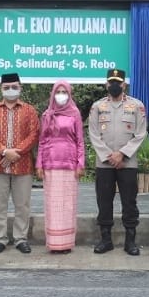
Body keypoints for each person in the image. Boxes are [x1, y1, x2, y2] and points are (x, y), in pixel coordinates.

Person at [87, 67, 148, 255]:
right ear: (106, 84)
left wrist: (122, 154)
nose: (114, 85)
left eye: (118, 83)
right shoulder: (97, 106)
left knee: (129, 201)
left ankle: (130, 241)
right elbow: (94, 134)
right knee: (104, 201)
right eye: (111, 82)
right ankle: (106, 240)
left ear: (124, 84)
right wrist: (110, 156)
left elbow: (140, 133)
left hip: (127, 163)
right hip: (104, 163)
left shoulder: (137, 106)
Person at [0, 72, 39, 253]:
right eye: (6, 87)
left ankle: (20, 238)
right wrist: (5, 151)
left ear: (20, 88)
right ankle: (0, 238)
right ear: (1, 89)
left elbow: (34, 134)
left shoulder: (29, 110)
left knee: (22, 204)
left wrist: (17, 152)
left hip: (23, 165)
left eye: (14, 87)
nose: (10, 90)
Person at [35, 79, 85, 253]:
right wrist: (39, 163)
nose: (61, 95)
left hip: (69, 165)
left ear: (69, 94)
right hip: (50, 165)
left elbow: (80, 140)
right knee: (53, 205)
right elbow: (42, 141)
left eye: (64, 92)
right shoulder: (47, 114)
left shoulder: (75, 114)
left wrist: (81, 163)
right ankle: (54, 243)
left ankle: (67, 243)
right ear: (53, 94)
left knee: (68, 204)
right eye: (58, 91)